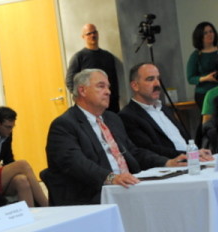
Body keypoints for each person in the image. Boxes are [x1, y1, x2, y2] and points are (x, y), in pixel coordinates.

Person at [45, 69, 178, 206]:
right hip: (93, 195)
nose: (108, 92)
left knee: (171, 197)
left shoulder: (112, 119)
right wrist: (110, 178)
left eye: (108, 87)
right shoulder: (64, 125)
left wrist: (167, 162)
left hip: (126, 186)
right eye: (101, 86)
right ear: (82, 91)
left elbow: (134, 152)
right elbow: (76, 164)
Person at [120, 63, 213, 161]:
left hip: (191, 161)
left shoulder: (165, 109)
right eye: (150, 79)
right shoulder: (128, 116)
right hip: (168, 167)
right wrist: (189, 154)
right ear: (135, 86)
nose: (157, 84)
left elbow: (184, 140)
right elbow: (148, 150)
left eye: (158, 78)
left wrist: (196, 152)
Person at [66, 23, 120, 112]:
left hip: (109, 105)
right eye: (89, 34)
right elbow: (69, 81)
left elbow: (114, 81)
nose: (92, 35)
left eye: (94, 32)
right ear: (83, 37)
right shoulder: (79, 57)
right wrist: (81, 97)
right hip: (89, 105)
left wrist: (114, 98)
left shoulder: (108, 56)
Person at [186, 22, 218, 108]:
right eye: (205, 33)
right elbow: (190, 78)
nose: (209, 34)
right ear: (200, 36)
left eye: (211, 31)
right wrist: (206, 78)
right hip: (204, 93)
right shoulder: (196, 55)